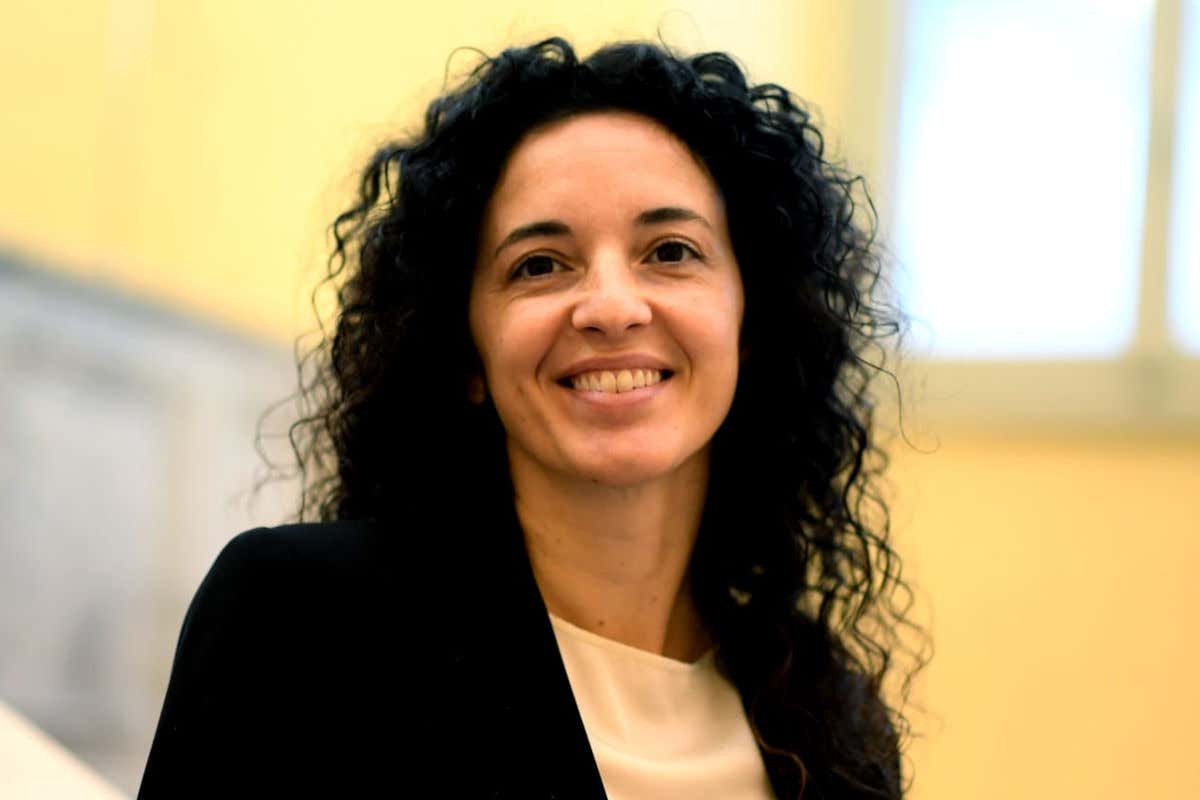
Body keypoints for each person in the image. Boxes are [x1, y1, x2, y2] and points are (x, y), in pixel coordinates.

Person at [138, 37, 925, 799]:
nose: (611, 307)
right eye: (539, 265)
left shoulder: (826, 716)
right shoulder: (301, 621)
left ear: (750, 326)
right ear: (467, 354)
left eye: (670, 251)